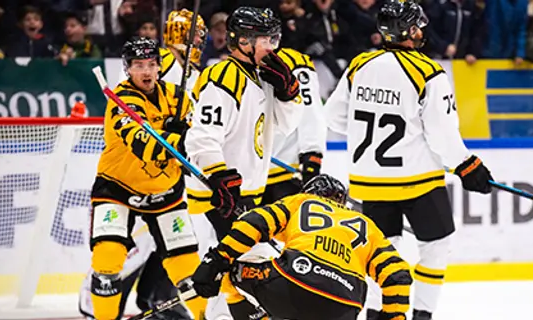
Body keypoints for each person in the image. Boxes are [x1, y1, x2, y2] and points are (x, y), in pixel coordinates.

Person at [323, 1, 494, 319]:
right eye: (417, 26)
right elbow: (443, 135)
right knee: (437, 244)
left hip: (369, 182)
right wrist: (467, 165)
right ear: (406, 31)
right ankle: (422, 314)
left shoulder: (360, 64)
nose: (422, 31)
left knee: (381, 252)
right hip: (417, 182)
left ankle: (375, 313)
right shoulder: (428, 71)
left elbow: (333, 117)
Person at [184, 5, 303, 318]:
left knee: (237, 285)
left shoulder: (261, 77)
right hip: (216, 198)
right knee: (239, 283)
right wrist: (219, 176)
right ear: (244, 41)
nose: (273, 47)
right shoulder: (223, 76)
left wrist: (288, 91)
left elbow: (286, 127)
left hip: (244, 195)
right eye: (266, 39)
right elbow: (201, 137)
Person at [85, 36, 207, 320]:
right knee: (107, 263)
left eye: (151, 64)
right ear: (127, 68)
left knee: (188, 270)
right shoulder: (122, 99)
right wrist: (181, 137)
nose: (146, 71)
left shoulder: (179, 97)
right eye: (138, 65)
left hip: (164, 191)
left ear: (160, 66)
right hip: (117, 187)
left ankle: (205, 316)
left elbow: (200, 138)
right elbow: (144, 145)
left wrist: (189, 138)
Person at [191, 174, 413, 320]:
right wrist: (394, 317)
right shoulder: (366, 225)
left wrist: (218, 260)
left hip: (293, 282)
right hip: (345, 305)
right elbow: (398, 275)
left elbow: (254, 223)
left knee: (230, 274)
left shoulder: (300, 202)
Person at [261, 46, 326, 205]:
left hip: (286, 171)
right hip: (248, 174)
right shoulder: (236, 65)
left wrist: (312, 156)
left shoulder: (294, 62)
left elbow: (310, 112)